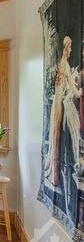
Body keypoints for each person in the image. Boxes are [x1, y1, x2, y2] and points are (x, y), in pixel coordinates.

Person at [44, 36, 82, 187]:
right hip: (61, 105)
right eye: (70, 47)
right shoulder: (64, 65)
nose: (71, 50)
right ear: (66, 48)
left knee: (58, 137)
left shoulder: (63, 65)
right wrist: (78, 93)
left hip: (59, 104)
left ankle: (58, 174)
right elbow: (71, 89)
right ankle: (57, 174)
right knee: (59, 136)